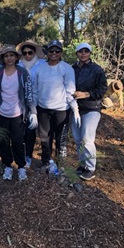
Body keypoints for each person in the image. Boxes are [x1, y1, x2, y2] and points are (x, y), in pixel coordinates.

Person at [0, 45, 37, 181]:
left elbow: (28, 93)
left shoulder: (22, 73)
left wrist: (32, 111)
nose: (9, 58)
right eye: (6, 56)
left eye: (11, 55)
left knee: (18, 141)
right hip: (1, 112)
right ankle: (7, 165)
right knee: (3, 141)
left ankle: (21, 167)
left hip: (18, 113)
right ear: (3, 58)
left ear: (16, 57)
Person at [32, 40, 80, 168]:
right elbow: (34, 89)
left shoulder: (67, 68)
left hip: (62, 110)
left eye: (57, 51)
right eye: (51, 51)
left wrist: (75, 109)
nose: (54, 53)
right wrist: (33, 110)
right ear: (47, 52)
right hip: (43, 109)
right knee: (45, 138)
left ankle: (61, 166)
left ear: (61, 52)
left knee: (61, 140)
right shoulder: (39, 67)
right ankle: (46, 162)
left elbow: (70, 91)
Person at [72, 42, 107, 181]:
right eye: (81, 51)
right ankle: (82, 164)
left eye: (86, 51)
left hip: (92, 108)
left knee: (87, 138)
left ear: (90, 53)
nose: (83, 54)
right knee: (78, 139)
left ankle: (91, 168)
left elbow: (102, 89)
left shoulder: (97, 70)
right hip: (75, 108)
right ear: (77, 53)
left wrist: (87, 94)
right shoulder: (71, 69)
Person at [17, 40, 46, 168]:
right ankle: (20, 154)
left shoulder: (42, 64)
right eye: (25, 53)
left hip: (37, 101)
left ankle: (28, 155)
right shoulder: (18, 65)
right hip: (20, 101)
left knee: (31, 130)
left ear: (34, 52)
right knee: (20, 130)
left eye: (30, 52)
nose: (27, 55)